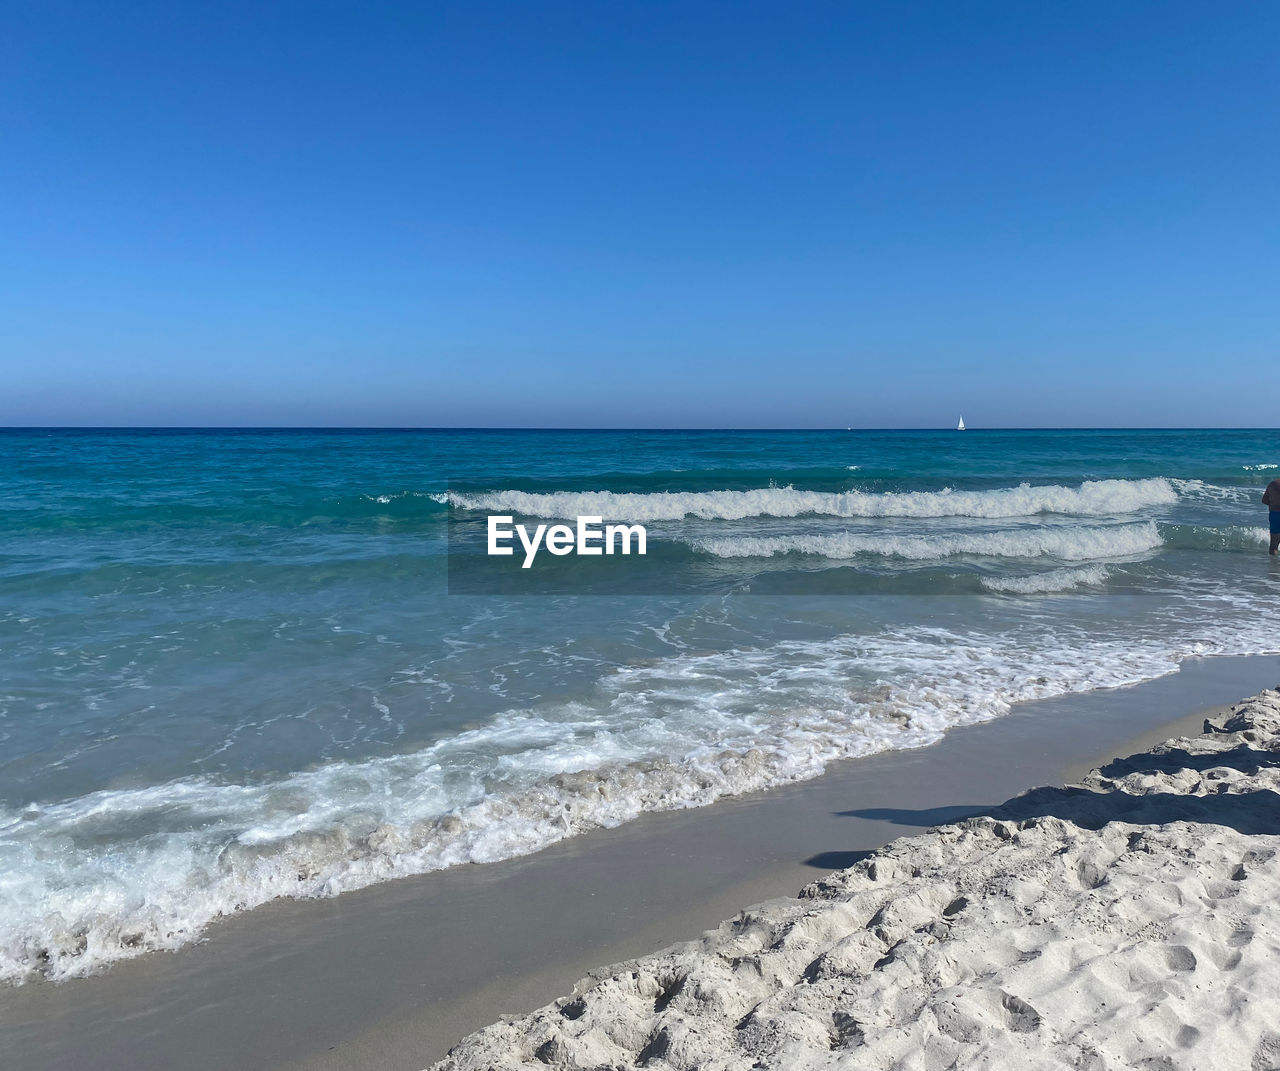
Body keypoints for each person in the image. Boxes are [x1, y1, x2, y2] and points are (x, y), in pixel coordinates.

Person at [1264, 478, 1280, 555]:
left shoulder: (1273, 484)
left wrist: (1274, 503)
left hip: (1275, 514)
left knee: (1274, 546)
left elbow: (1264, 500)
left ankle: (1273, 565)